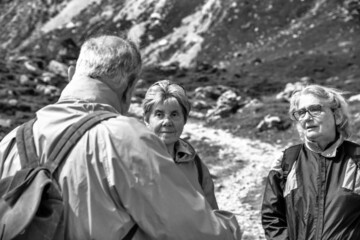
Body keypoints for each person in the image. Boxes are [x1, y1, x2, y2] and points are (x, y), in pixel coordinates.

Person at [0, 35, 242, 239]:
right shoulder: (125, 137)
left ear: (71, 73)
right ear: (131, 86)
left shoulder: (10, 142)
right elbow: (195, 233)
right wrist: (230, 226)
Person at [261, 84, 360, 240]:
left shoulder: (357, 159)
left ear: (337, 116)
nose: (306, 117)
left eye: (315, 109)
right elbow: (272, 218)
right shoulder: (286, 160)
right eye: (301, 112)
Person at [142, 80, 218, 209]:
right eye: (159, 114)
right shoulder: (134, 161)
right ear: (146, 119)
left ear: (185, 119)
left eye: (174, 114)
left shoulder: (194, 162)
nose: (167, 122)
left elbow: (212, 215)